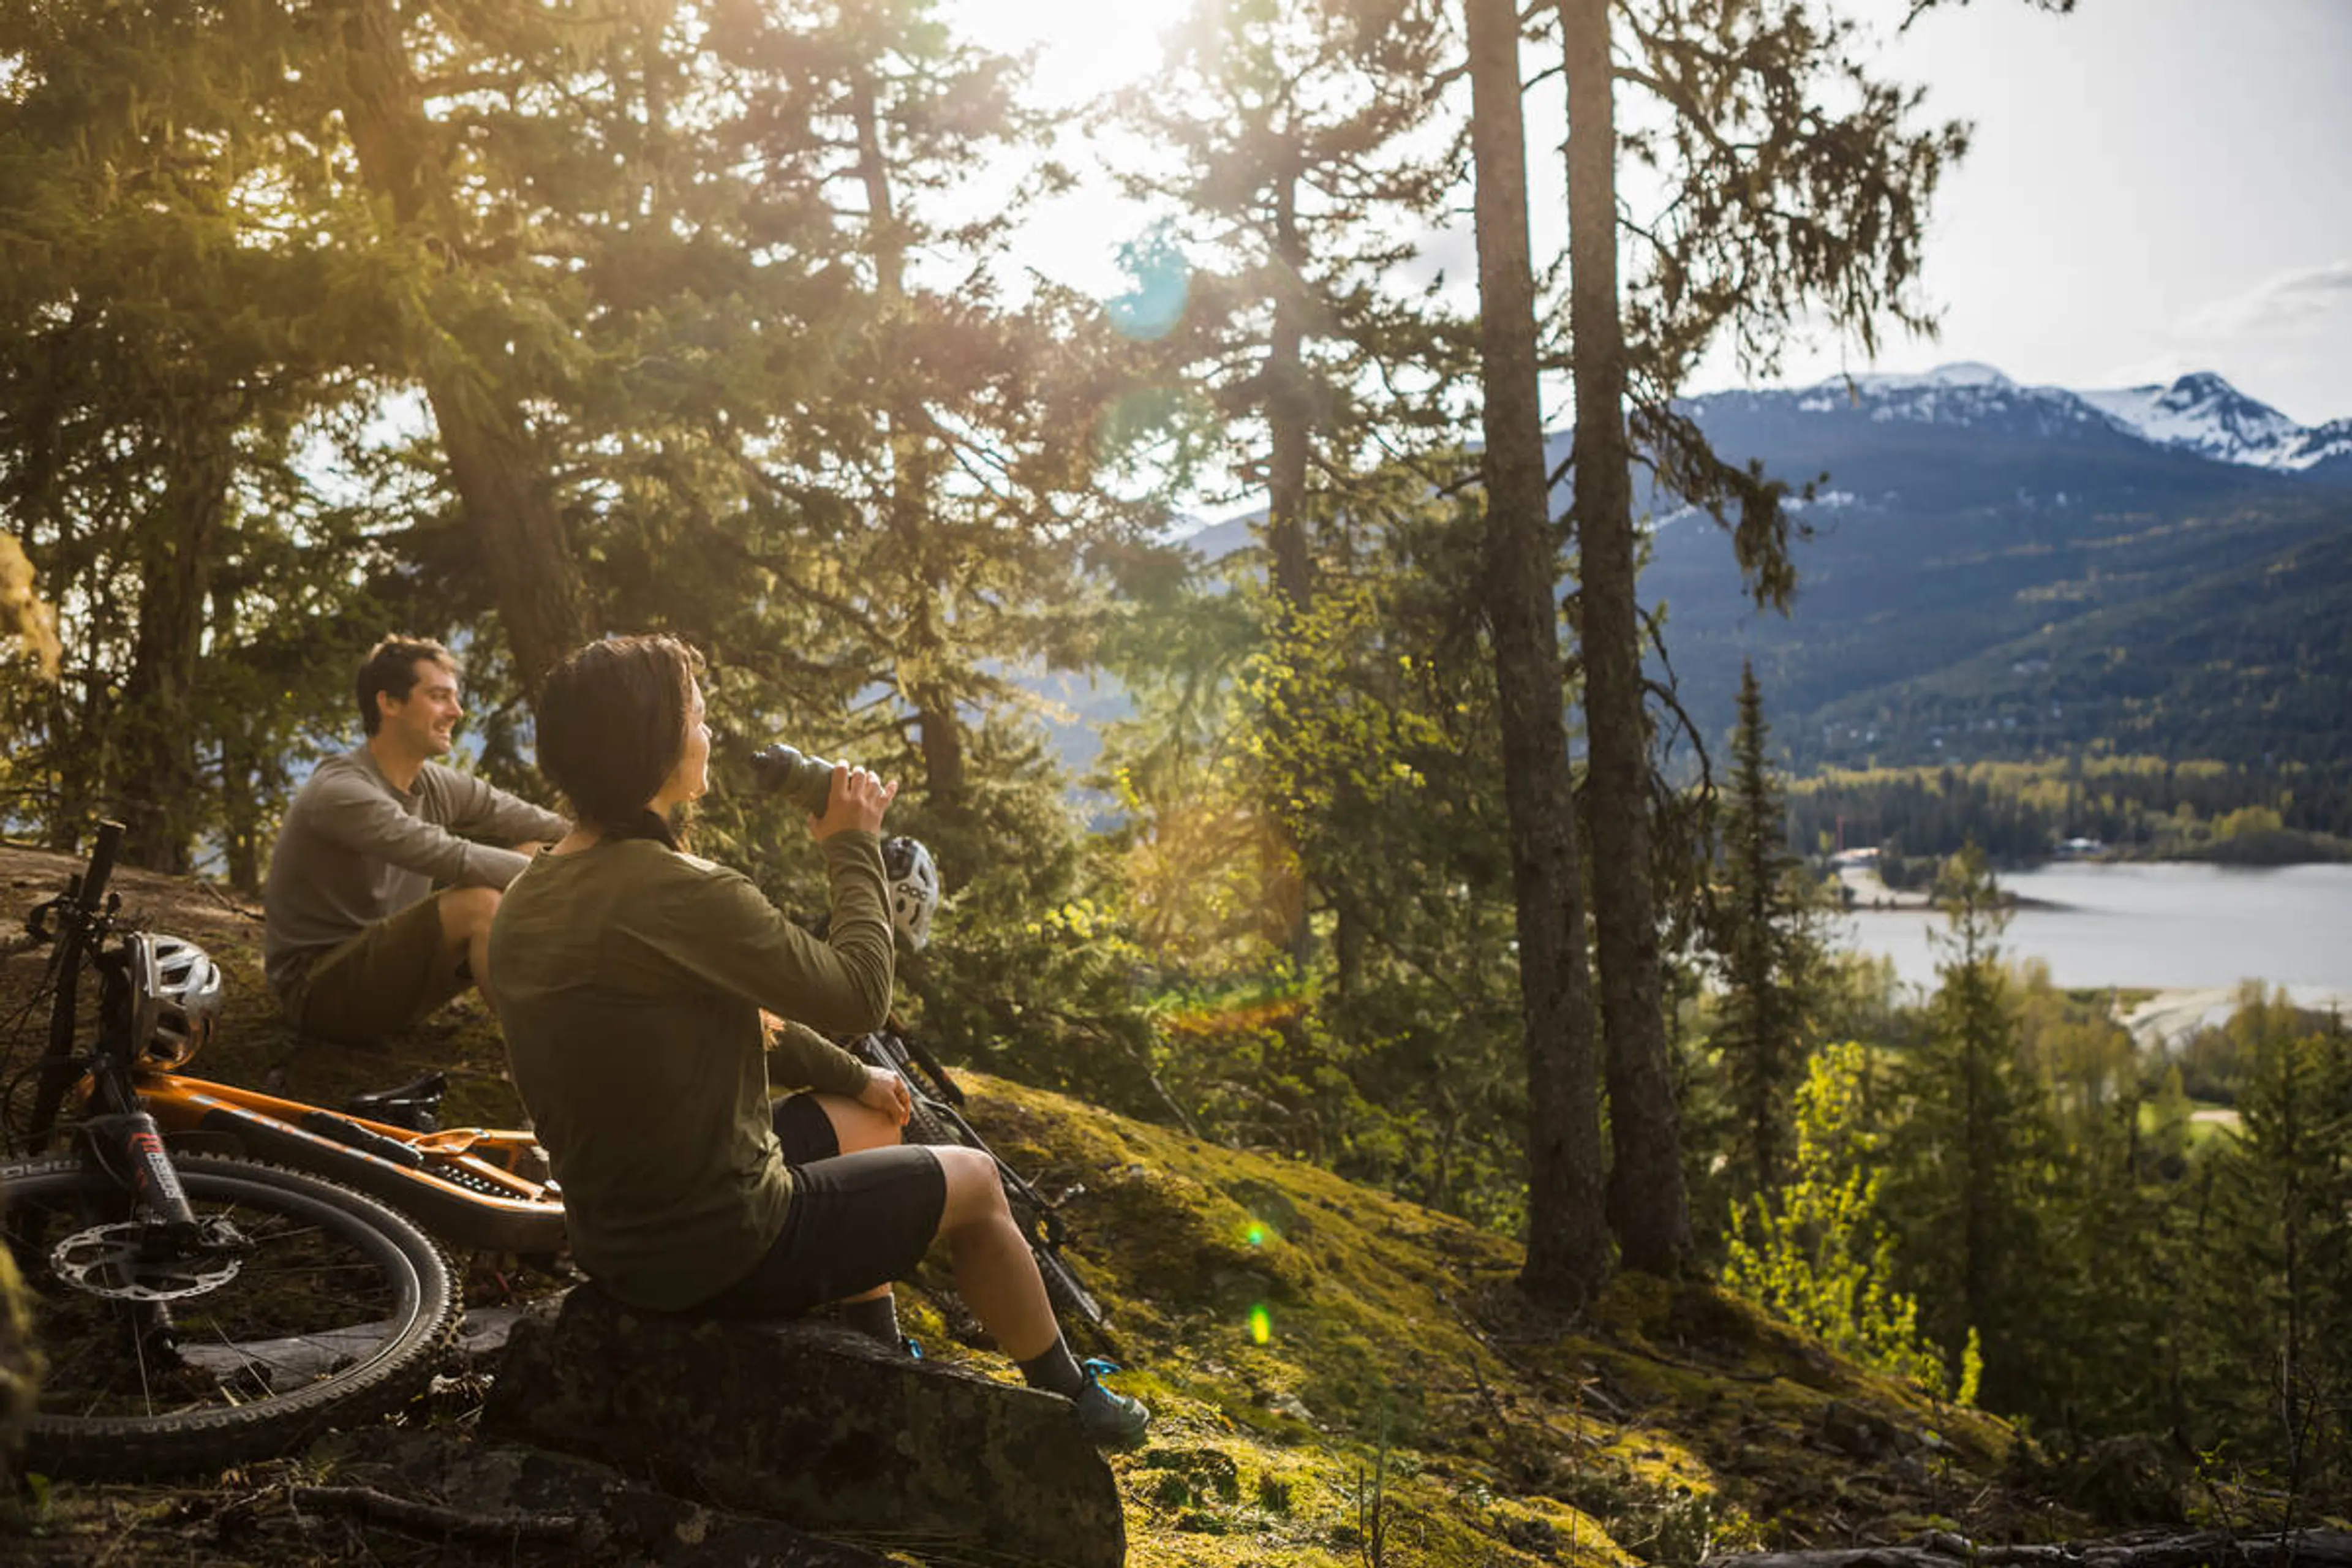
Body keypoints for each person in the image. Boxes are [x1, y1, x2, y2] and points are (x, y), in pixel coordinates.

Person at [487, 633, 1148, 1446]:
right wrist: (852, 845)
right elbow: (860, 994)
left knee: (869, 1116)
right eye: (696, 715)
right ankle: (1074, 1400)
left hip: (616, 1239)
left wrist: (859, 1081)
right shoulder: (683, 894)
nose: (706, 730)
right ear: (655, 742)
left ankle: (869, 1357)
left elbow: (749, 1028)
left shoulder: (533, 890)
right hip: (720, 1246)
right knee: (975, 1182)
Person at [262, 636, 568, 1047]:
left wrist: (614, 839)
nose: (456, 712)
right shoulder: (341, 792)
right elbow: (450, 855)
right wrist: (575, 876)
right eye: (439, 697)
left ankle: (572, 1014)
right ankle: (548, 1063)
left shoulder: (432, 782)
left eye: (454, 698)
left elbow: (530, 820)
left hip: (387, 979)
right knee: (480, 903)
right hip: (319, 994)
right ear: (388, 703)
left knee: (534, 852)